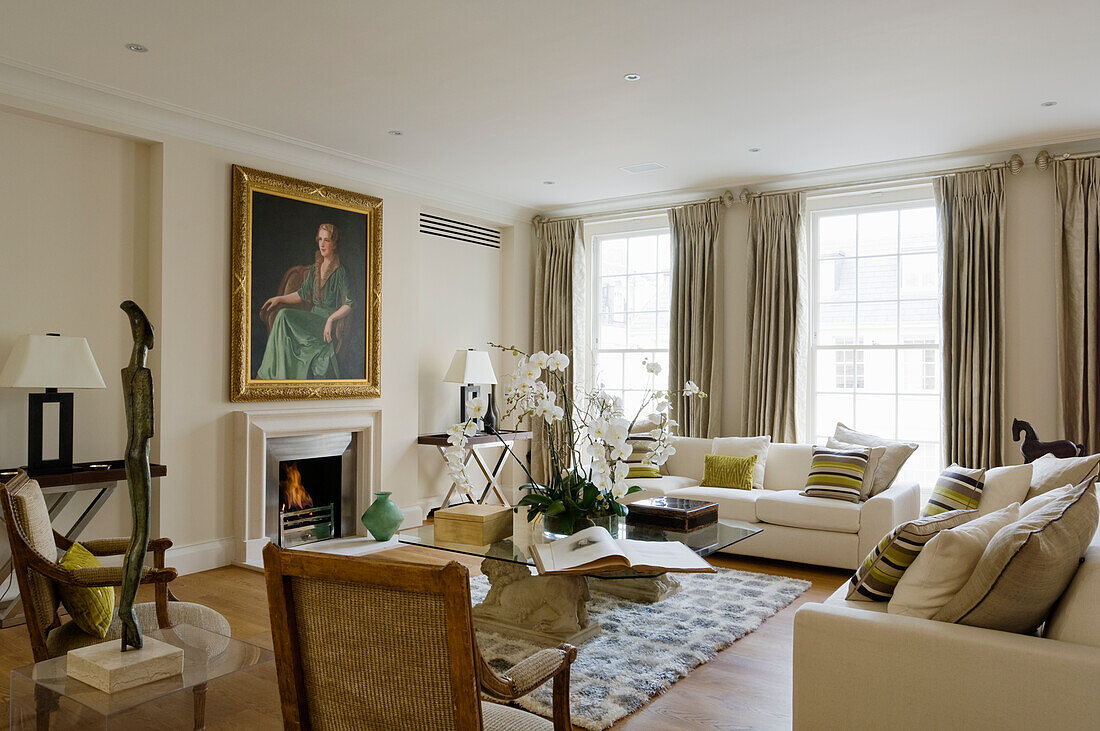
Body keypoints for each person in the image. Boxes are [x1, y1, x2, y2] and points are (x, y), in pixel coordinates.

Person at [257, 223, 353, 379]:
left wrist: (330, 319)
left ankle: (269, 375)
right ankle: (277, 374)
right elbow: (302, 294)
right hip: (313, 318)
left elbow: (348, 304)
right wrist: (279, 298)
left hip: (325, 322)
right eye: (320, 239)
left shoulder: (340, 272)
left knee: (283, 316)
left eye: (327, 240)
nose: (322, 244)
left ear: (334, 244)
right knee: (282, 316)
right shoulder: (315, 268)